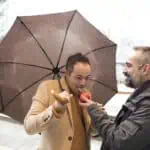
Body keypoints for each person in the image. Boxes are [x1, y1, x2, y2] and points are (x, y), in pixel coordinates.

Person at [79, 46, 150, 150]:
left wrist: (96, 112)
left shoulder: (147, 104)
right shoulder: (140, 96)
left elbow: (118, 142)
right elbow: (121, 129)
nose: (124, 71)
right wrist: (99, 114)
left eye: (129, 66)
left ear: (145, 69)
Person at [24, 53, 93, 150]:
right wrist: (54, 110)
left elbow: (91, 132)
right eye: (79, 77)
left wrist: (95, 114)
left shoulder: (86, 93)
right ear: (67, 74)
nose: (83, 83)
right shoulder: (47, 87)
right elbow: (29, 127)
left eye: (87, 78)